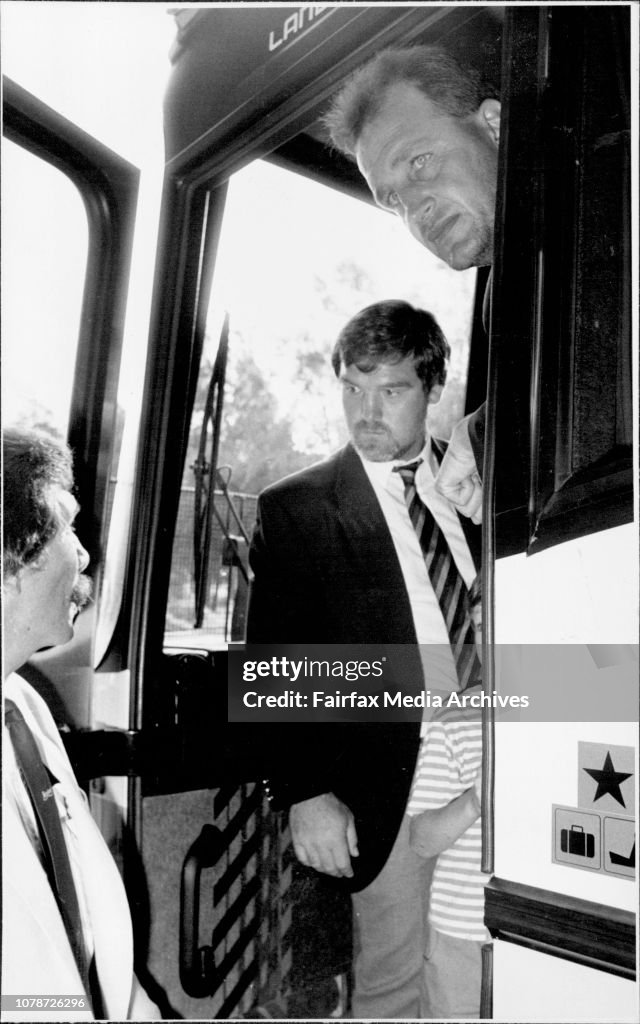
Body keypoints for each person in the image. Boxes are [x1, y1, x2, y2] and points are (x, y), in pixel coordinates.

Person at [247, 300, 481, 1018]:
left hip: (495, 759)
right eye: (354, 387)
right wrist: (305, 793)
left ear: (434, 388)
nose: (367, 410)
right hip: (389, 785)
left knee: (482, 976)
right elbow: (273, 666)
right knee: (394, 985)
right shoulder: (300, 508)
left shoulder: (476, 491)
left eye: (393, 390)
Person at [2, 426, 159, 1022]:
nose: (85, 554)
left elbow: (92, 943)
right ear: (10, 560)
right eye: (66, 527)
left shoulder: (25, 709)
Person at [323, 44, 502, 521]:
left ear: (495, 125)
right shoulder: (500, 297)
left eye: (420, 162)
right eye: (393, 201)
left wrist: (487, 435)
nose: (415, 210)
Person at [408, 574, 489, 1018]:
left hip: (538, 930)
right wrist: (476, 799)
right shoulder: (456, 715)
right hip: (461, 936)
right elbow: (420, 839)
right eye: (481, 625)